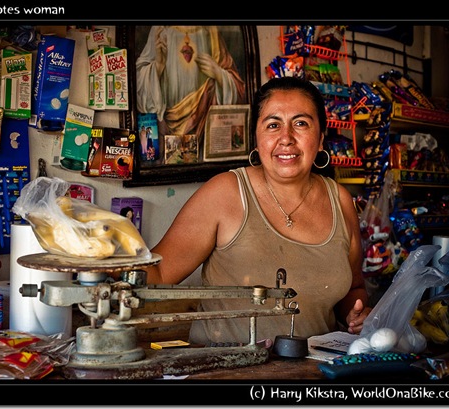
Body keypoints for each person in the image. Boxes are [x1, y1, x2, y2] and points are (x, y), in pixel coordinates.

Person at [142, 76, 372, 345]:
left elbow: (353, 289)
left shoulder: (340, 201)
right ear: (256, 139)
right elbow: (158, 275)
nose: (286, 138)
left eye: (301, 124)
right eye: (273, 125)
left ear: (320, 139)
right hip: (226, 373)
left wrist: (357, 315)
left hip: (312, 375)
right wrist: (99, 250)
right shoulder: (225, 193)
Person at [136, 26, 246, 143]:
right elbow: (138, 88)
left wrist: (219, 74)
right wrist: (158, 65)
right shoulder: (160, 30)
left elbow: (239, 89)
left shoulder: (211, 31)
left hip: (203, 127)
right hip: (167, 129)